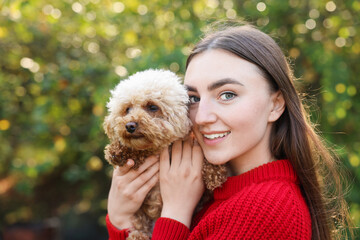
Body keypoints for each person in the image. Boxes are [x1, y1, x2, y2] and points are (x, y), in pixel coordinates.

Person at [106, 22, 352, 239]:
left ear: (275, 105)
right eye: (193, 98)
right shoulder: (209, 191)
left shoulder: (266, 209)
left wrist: (175, 213)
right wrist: (121, 219)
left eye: (227, 95)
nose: (202, 117)